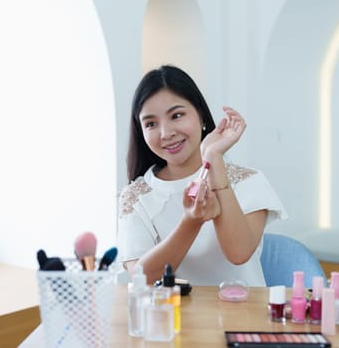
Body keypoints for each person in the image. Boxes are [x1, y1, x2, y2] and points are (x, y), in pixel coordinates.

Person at [116, 65, 287, 286]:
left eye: (176, 115)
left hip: (243, 317)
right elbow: (144, 277)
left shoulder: (248, 182)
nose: (166, 133)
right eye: (151, 124)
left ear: (200, 115)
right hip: (174, 317)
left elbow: (238, 254)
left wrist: (214, 159)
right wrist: (191, 222)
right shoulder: (135, 197)